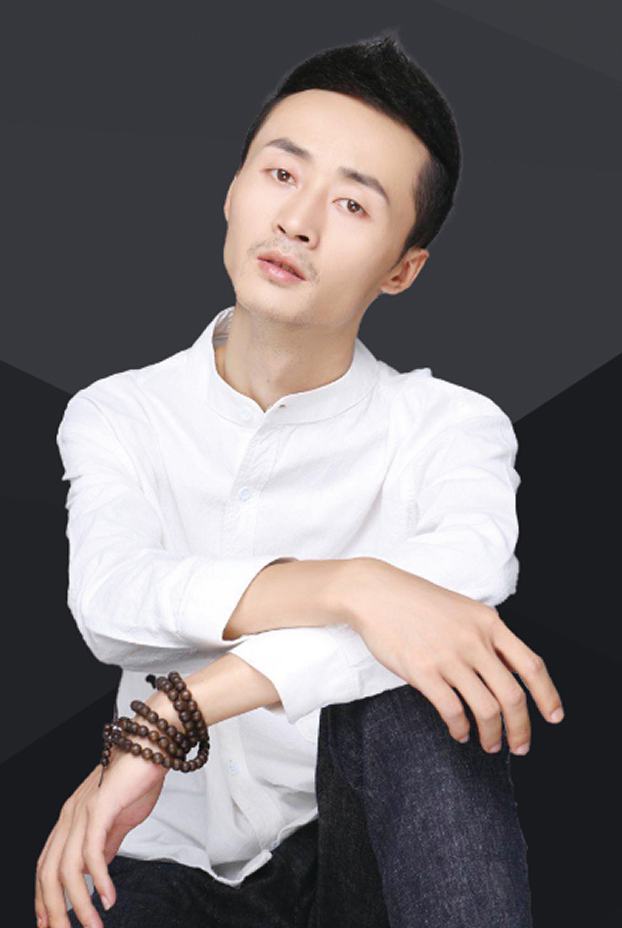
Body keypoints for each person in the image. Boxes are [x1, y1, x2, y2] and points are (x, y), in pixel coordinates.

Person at [35, 30, 564, 928]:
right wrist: (355, 587)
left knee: (415, 680)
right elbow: (113, 602)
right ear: (233, 189)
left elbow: (457, 593)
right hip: (171, 856)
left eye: (353, 204)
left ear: (403, 269)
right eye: (282, 174)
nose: (299, 222)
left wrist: (178, 714)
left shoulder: (450, 430)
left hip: (366, 858)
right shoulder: (119, 413)